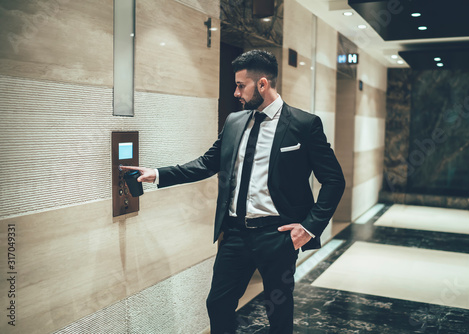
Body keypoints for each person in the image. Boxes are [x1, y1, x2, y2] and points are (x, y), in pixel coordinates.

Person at [121, 49, 345, 334]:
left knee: (278, 311)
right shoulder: (235, 122)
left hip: (277, 235)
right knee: (218, 304)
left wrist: (309, 228)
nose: (236, 93)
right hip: (235, 235)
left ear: (262, 84)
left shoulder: (304, 125)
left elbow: (334, 180)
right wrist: (158, 174)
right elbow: (206, 164)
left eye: (241, 85)